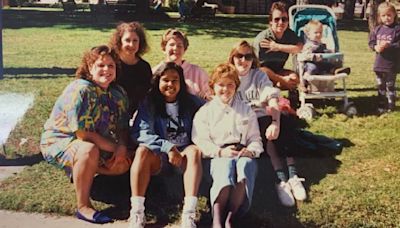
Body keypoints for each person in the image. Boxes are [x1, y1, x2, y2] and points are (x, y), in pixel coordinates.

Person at [40, 45, 132, 224]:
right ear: (90, 68)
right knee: (88, 150)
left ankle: (82, 169)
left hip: (98, 143)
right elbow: (83, 135)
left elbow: (122, 127)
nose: (106, 70)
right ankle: (83, 207)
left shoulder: (118, 93)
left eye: (111, 66)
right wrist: (117, 148)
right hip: (62, 140)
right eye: (100, 65)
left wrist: (122, 148)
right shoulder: (81, 90)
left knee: (123, 164)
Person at [228, 40, 307, 207]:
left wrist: (275, 122)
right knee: (263, 127)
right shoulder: (229, 77)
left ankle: (293, 176)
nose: (243, 60)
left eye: (248, 56)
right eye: (239, 56)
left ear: (253, 58)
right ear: (232, 58)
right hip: (243, 123)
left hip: (264, 116)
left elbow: (271, 97)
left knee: (283, 122)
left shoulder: (258, 75)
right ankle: (281, 180)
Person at [129, 62, 204, 228]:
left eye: (175, 80)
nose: (170, 84)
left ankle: (189, 214)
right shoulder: (149, 103)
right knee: (142, 151)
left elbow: (213, 114)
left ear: (181, 82)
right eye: (165, 80)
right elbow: (140, 133)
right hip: (160, 159)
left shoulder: (193, 102)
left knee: (194, 151)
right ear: (158, 82)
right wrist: (168, 147)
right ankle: (137, 212)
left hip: (184, 158)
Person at [192, 63, 264, 228]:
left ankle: (231, 216)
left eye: (230, 85)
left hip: (242, 153)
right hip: (218, 155)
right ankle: (217, 218)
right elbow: (200, 139)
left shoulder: (246, 109)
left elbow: (255, 138)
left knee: (244, 167)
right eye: (221, 85)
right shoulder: (205, 112)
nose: (225, 89)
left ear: (236, 87)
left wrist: (251, 151)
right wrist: (219, 152)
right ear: (213, 87)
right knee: (224, 168)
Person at [253, 1, 303, 106]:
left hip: (278, 70)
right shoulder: (263, 39)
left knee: (294, 77)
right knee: (264, 71)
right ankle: (280, 88)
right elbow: (256, 68)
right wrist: (283, 80)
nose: (281, 22)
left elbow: (299, 48)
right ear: (270, 22)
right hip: (260, 75)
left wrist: (278, 47)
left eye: (284, 19)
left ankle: (291, 97)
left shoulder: (288, 34)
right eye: (277, 19)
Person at [152, 28, 210, 100]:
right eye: (171, 45)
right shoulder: (154, 72)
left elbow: (210, 97)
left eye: (179, 45)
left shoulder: (198, 73)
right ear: (164, 48)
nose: (175, 48)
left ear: (184, 49)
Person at [109, 22, 152, 117]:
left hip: (136, 116)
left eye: (135, 40)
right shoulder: (111, 64)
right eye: (127, 40)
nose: (131, 44)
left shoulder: (144, 67)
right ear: (120, 41)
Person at [368, 1, 400, 114]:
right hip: (379, 64)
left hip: (391, 64)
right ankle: (381, 105)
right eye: (384, 15)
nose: (387, 18)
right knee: (380, 86)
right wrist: (375, 47)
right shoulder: (377, 29)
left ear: (394, 15)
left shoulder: (397, 29)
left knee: (390, 86)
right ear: (379, 17)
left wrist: (388, 45)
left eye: (389, 15)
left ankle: (391, 105)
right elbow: (371, 42)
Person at [299, 20, 335, 92]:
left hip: (320, 63)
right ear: (308, 35)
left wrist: (329, 52)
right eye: (316, 33)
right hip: (310, 64)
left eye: (320, 32)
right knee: (312, 67)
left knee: (329, 65)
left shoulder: (322, 43)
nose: (319, 34)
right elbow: (303, 56)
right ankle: (305, 80)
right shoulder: (309, 45)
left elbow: (324, 52)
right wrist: (313, 57)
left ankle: (336, 70)